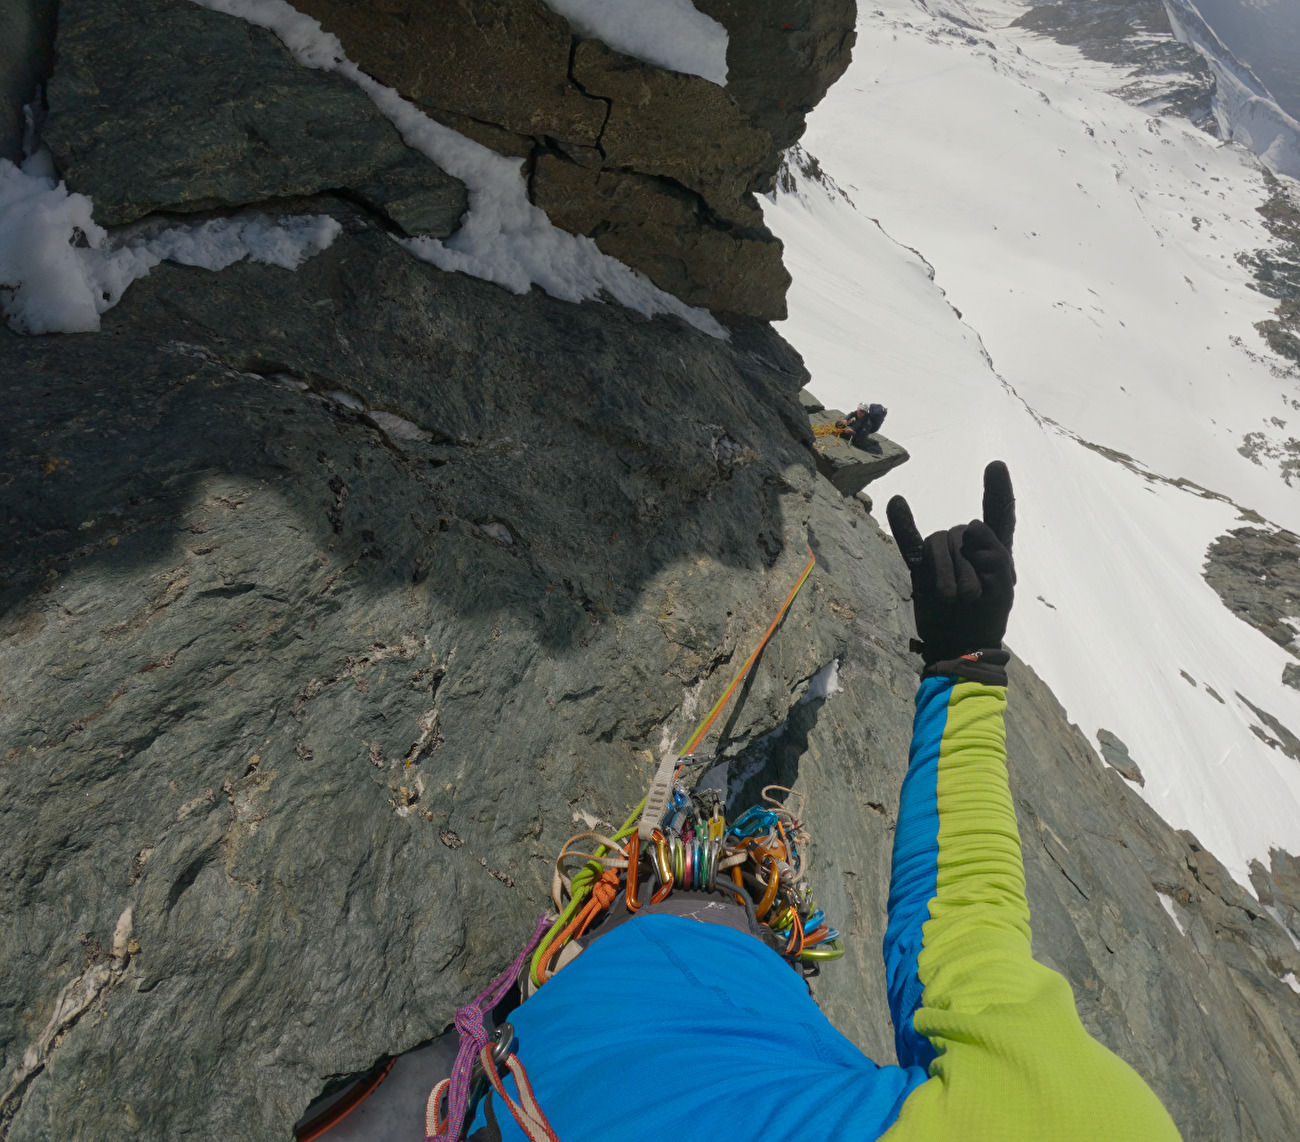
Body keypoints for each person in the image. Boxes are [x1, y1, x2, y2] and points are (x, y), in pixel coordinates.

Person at [464, 462, 1182, 1142]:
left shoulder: (1075, 1121)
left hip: (589, 1031)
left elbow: (961, 919)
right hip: (511, 1091)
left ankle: (688, 889)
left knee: (705, 937)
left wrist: (964, 666)